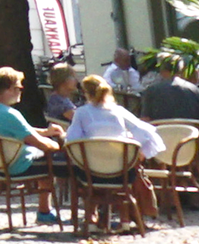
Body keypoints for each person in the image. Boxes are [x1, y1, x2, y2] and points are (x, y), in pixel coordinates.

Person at [66, 73, 166, 221]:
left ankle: (91, 216)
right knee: (128, 169)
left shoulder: (81, 113)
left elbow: (72, 141)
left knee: (84, 169)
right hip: (122, 172)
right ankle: (124, 219)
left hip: (91, 172)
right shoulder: (119, 111)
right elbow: (148, 133)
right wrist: (138, 152)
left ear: (85, 92)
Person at [0, 67, 62, 223]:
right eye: (19, 87)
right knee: (54, 160)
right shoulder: (10, 114)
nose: (21, 91)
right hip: (17, 165)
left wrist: (46, 132)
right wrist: (59, 145)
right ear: (9, 89)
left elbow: (19, 130)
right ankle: (45, 211)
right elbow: (40, 144)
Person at [140, 54, 199, 123]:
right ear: (181, 70)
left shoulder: (151, 90)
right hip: (189, 134)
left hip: (162, 133)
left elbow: (145, 120)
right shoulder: (194, 89)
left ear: (162, 71)